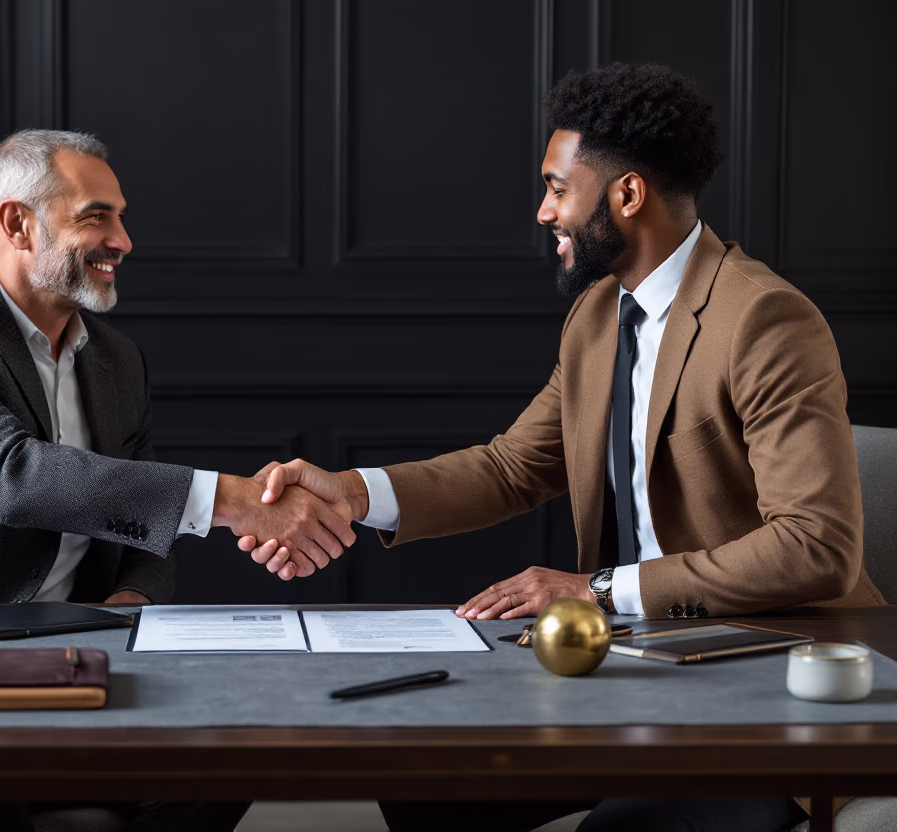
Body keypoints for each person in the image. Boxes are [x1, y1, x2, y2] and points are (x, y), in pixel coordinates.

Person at [243, 63, 883, 831]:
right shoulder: (597, 318)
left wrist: (599, 590)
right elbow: (513, 466)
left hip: (765, 676)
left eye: (556, 187)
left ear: (627, 195)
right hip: (630, 662)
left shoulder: (765, 319)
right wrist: (354, 491)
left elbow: (816, 547)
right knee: (428, 780)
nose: (544, 210)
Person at [0, 129, 355, 831]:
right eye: (97, 216)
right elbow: (10, 478)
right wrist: (236, 502)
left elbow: (144, 533)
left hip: (72, 667)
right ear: (17, 223)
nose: (123, 240)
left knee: (230, 756)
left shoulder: (117, 360)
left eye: (122, 217)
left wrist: (130, 600)